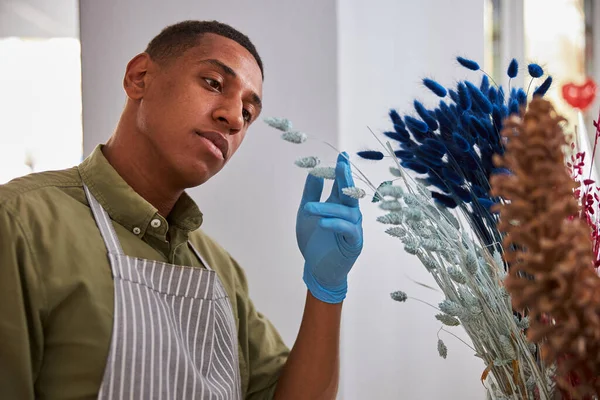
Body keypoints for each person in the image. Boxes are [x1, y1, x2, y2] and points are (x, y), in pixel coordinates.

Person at [0, 20, 363, 400]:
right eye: (213, 83)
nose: (234, 118)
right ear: (139, 77)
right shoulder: (21, 224)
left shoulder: (219, 270)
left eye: (248, 113)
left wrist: (326, 290)